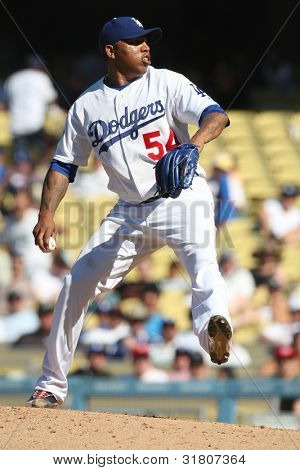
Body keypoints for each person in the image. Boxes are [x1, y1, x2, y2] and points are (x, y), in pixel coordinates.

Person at [27, 16, 232, 408]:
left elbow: (215, 114)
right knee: (76, 284)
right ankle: (51, 384)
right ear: (111, 51)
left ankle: (213, 332)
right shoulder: (86, 105)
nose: (145, 47)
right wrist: (46, 214)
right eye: (134, 42)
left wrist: (196, 144)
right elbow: (63, 165)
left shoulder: (166, 81)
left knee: (204, 266)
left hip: (181, 196)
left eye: (146, 40)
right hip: (129, 213)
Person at [4, 54, 57, 160]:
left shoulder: (13, 78)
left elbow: (6, 103)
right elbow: (52, 100)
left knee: (21, 162)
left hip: (17, 126)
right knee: (41, 159)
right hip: (37, 125)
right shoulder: (42, 77)